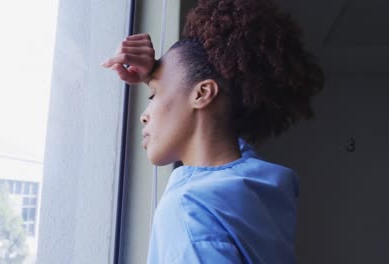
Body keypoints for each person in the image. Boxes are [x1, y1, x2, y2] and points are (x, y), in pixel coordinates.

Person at [102, 0, 323, 263]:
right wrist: (158, 78)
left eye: (153, 95)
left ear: (203, 93)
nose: (144, 115)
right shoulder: (255, 190)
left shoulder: (190, 208)